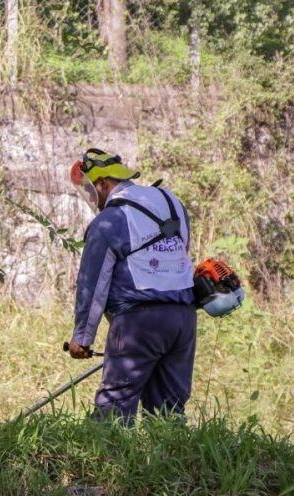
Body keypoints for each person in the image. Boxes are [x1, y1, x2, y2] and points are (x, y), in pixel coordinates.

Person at [66, 148, 197, 423]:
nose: (92, 197)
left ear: (103, 184)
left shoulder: (109, 221)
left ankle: (104, 464)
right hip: (183, 321)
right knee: (168, 415)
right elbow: (180, 255)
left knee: (114, 411)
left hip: (138, 325)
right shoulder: (172, 204)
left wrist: (82, 338)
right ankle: (173, 464)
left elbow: (92, 283)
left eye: (91, 190)